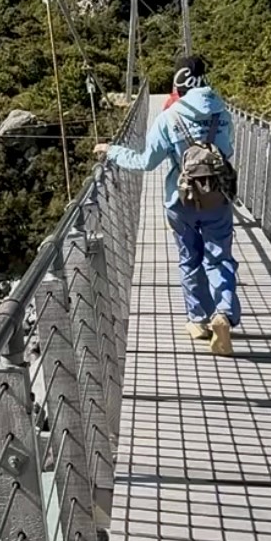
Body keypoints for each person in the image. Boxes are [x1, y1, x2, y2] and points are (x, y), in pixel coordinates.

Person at [97, 58, 240, 354]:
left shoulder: (168, 116)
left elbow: (145, 162)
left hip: (181, 200)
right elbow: (227, 151)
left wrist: (112, 151)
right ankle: (223, 313)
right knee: (220, 258)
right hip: (217, 197)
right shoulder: (223, 112)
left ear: (178, 84)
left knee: (190, 259)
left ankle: (197, 320)